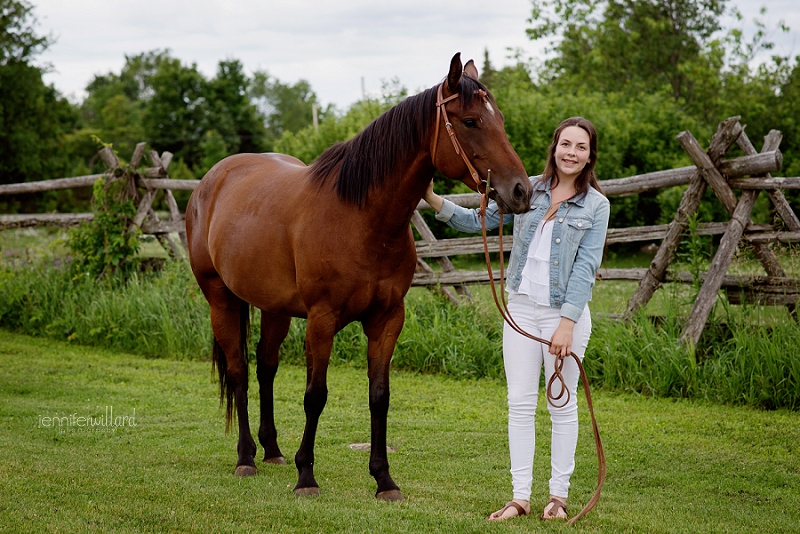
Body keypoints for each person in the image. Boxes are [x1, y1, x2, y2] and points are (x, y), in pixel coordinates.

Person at [424, 117, 610, 521]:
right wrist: (435, 200)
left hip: (564, 317)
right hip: (521, 309)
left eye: (581, 147)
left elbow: (585, 268)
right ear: (554, 147)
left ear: (590, 155)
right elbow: (481, 221)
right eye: (565, 144)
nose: (571, 153)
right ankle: (519, 497)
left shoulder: (596, 205)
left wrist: (567, 323)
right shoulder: (530, 190)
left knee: (561, 404)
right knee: (519, 404)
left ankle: (557, 498)